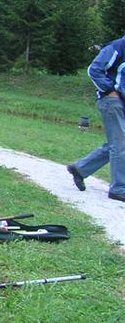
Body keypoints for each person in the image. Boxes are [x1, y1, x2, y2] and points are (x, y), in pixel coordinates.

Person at [67, 35, 125, 202]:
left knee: (118, 143)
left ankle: (80, 169)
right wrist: (109, 90)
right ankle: (119, 188)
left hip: (122, 101)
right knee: (120, 144)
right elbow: (94, 69)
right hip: (112, 101)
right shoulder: (118, 47)